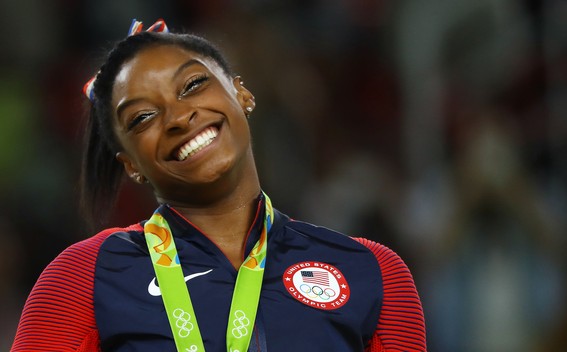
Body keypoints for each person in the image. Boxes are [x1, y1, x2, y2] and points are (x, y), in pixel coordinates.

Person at [12, 19, 426, 352]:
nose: (178, 117)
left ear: (241, 93)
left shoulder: (371, 270)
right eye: (142, 118)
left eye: (192, 85)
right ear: (131, 166)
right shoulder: (82, 277)